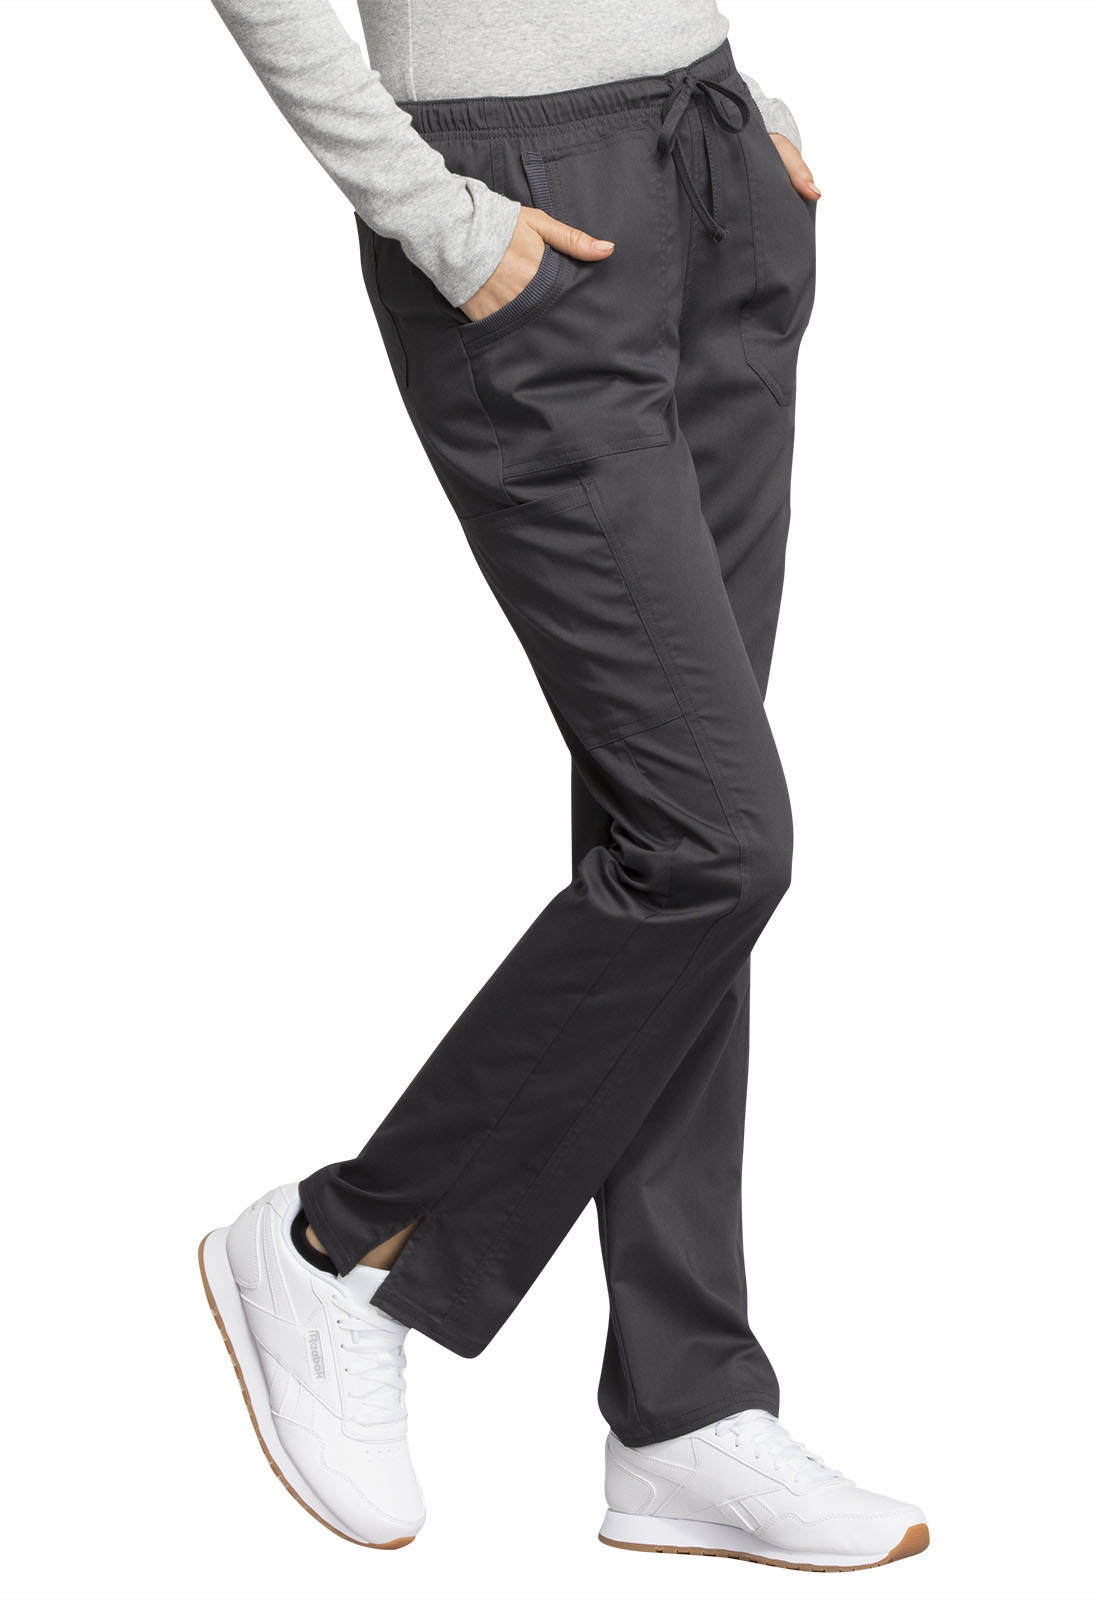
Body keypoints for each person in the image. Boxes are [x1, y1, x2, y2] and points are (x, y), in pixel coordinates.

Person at [198, 0, 928, 1572]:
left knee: (670, 837)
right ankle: (341, 1247)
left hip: (712, 165)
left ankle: (683, 1405)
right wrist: (421, 208)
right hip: (515, 200)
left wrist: (748, 112)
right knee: (715, 843)